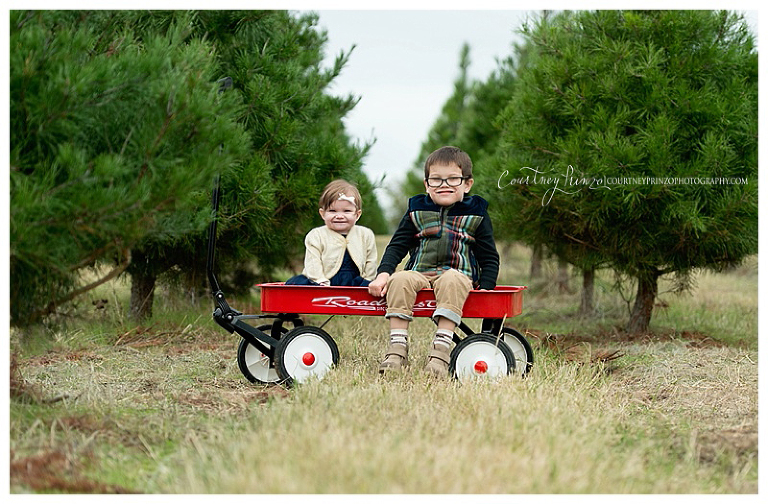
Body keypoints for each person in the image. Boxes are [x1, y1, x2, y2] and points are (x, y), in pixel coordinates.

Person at [367, 146, 500, 378]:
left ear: (467, 184)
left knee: (452, 279)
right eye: (436, 179)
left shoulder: (476, 213)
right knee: (400, 279)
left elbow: (489, 256)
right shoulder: (417, 210)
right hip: (420, 272)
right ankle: (397, 348)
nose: (444, 185)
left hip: (458, 274)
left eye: (453, 179)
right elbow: (397, 246)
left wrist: (487, 288)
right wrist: (383, 274)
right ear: (427, 184)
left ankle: (440, 351)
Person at [286, 179, 378, 287]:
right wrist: (319, 280)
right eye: (332, 211)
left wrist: (367, 280)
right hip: (323, 280)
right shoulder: (316, 235)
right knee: (296, 283)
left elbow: (371, 261)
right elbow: (313, 262)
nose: (339, 216)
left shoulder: (365, 235)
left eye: (347, 211)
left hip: (354, 281)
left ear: (357, 214)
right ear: (323, 213)